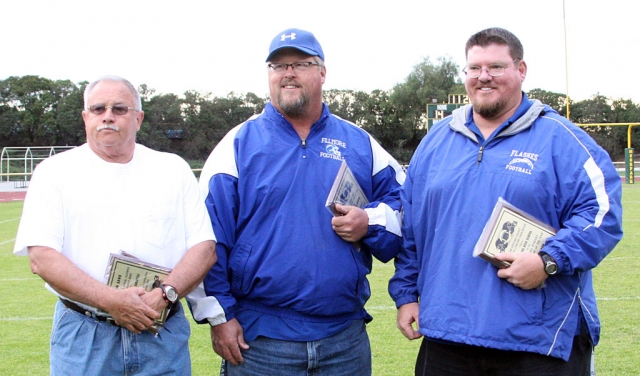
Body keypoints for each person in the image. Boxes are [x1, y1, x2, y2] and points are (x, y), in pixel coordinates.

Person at [389, 27, 623, 376]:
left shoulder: (561, 140)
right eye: (474, 68)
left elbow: (603, 214)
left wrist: (548, 260)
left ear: (521, 69)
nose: (484, 77)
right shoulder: (436, 142)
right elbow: (412, 226)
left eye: (496, 67)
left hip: (536, 340)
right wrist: (407, 294)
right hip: (447, 336)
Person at [198, 28, 405, 375]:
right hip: (261, 340)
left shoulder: (359, 142)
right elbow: (205, 238)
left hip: (344, 339)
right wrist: (220, 317)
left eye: (300, 63)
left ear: (322, 72)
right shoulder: (238, 144)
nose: (288, 73)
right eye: (278, 65)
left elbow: (407, 207)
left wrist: (369, 222)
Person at [13, 75, 219, 375]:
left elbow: (204, 248)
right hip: (85, 332)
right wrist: (111, 301)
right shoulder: (54, 173)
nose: (108, 116)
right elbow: (42, 258)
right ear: (85, 117)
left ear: (138, 118)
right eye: (98, 109)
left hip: (160, 328)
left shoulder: (172, 169)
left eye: (119, 109)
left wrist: (164, 294)